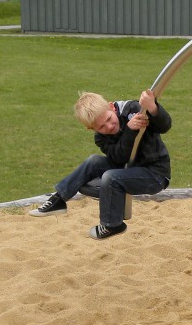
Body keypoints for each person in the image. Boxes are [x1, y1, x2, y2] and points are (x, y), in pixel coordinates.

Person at [30, 89, 172, 240]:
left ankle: (112, 224)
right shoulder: (101, 138)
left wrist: (153, 107)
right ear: (91, 129)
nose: (109, 127)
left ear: (111, 107)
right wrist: (130, 130)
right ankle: (59, 199)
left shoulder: (133, 109)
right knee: (94, 162)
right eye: (102, 127)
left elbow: (165, 126)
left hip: (155, 174)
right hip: (128, 170)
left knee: (111, 178)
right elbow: (119, 157)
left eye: (109, 119)